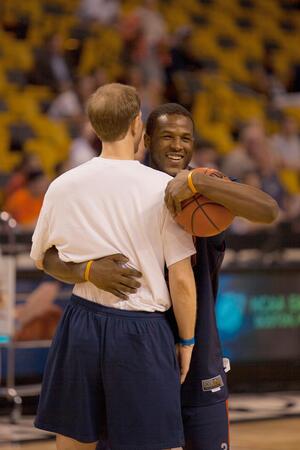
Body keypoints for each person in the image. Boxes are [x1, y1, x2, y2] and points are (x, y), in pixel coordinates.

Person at [43, 103, 279, 450]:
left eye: (186, 138)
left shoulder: (208, 188)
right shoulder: (126, 189)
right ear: (147, 137)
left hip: (199, 350)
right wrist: (88, 271)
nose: (177, 145)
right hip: (138, 346)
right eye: (167, 136)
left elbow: (268, 210)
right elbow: (51, 256)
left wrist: (197, 179)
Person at [30, 86, 197, 450]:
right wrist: (187, 342)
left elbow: (44, 258)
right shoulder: (163, 188)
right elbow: (182, 281)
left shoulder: (62, 186)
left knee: (73, 443)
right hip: (142, 330)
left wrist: (86, 271)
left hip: (80, 323)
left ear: (93, 126)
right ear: (138, 123)